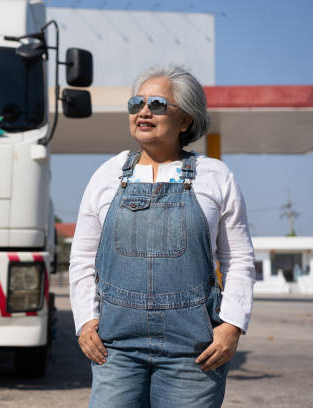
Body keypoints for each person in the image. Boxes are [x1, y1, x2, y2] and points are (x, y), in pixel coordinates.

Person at [69, 64, 255, 407]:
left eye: (156, 104)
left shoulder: (215, 177)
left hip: (194, 352)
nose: (143, 111)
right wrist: (86, 321)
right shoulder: (106, 175)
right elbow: (82, 258)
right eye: (136, 103)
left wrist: (232, 325)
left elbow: (239, 260)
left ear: (185, 120)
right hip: (117, 349)